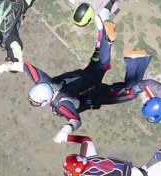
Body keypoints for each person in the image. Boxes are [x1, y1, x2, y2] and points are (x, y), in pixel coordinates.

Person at [18, 36, 151, 130]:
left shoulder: (62, 105)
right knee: (101, 63)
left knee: (129, 93)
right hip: (83, 77)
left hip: (93, 93)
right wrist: (7, 66)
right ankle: (105, 35)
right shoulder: (44, 80)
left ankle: (136, 61)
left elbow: (75, 120)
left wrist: (66, 130)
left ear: (45, 100)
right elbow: (27, 67)